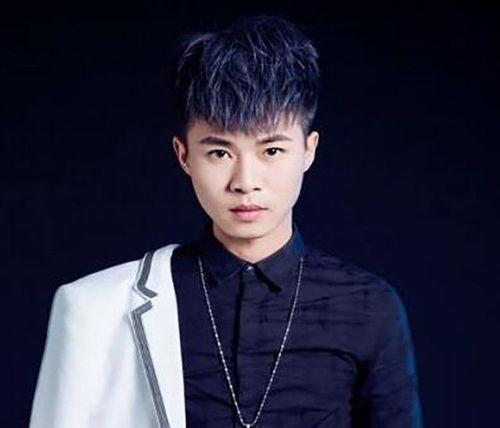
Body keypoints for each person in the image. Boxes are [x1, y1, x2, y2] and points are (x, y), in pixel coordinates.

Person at [29, 15, 424, 428]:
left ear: (308, 150)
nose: (245, 182)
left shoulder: (369, 307)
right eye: (220, 153)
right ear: (184, 155)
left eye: (271, 151)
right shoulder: (99, 306)